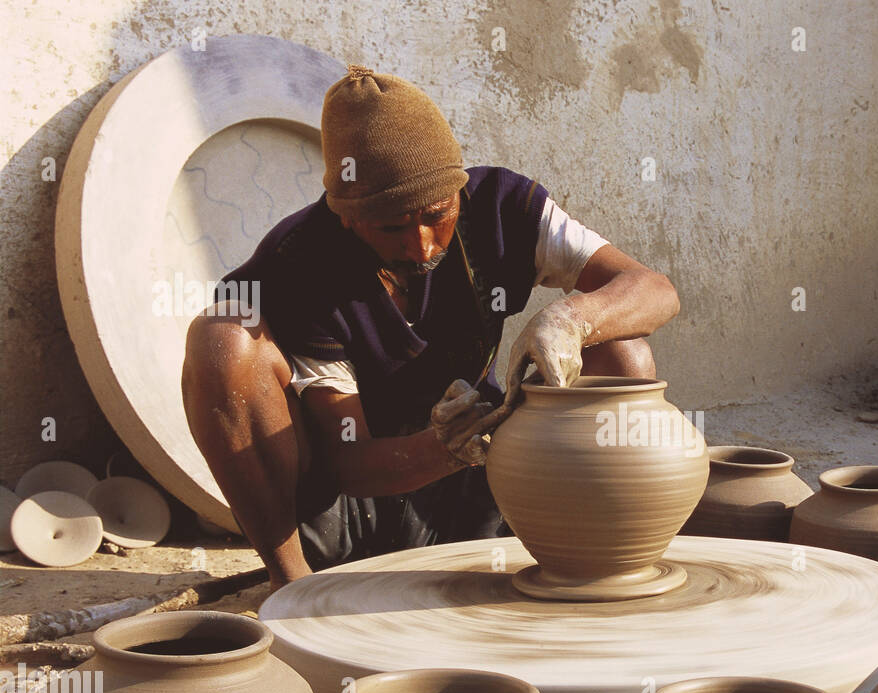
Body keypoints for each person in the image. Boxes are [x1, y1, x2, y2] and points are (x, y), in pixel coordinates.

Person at [181, 65, 679, 591]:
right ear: (347, 216)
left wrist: (571, 319)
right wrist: (441, 449)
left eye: (436, 215)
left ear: (459, 191)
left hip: (482, 487)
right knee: (223, 338)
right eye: (391, 226)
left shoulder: (504, 209)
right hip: (351, 507)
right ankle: (292, 587)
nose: (420, 245)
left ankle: (593, 558)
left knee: (623, 352)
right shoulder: (300, 264)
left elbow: (654, 290)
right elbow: (348, 460)